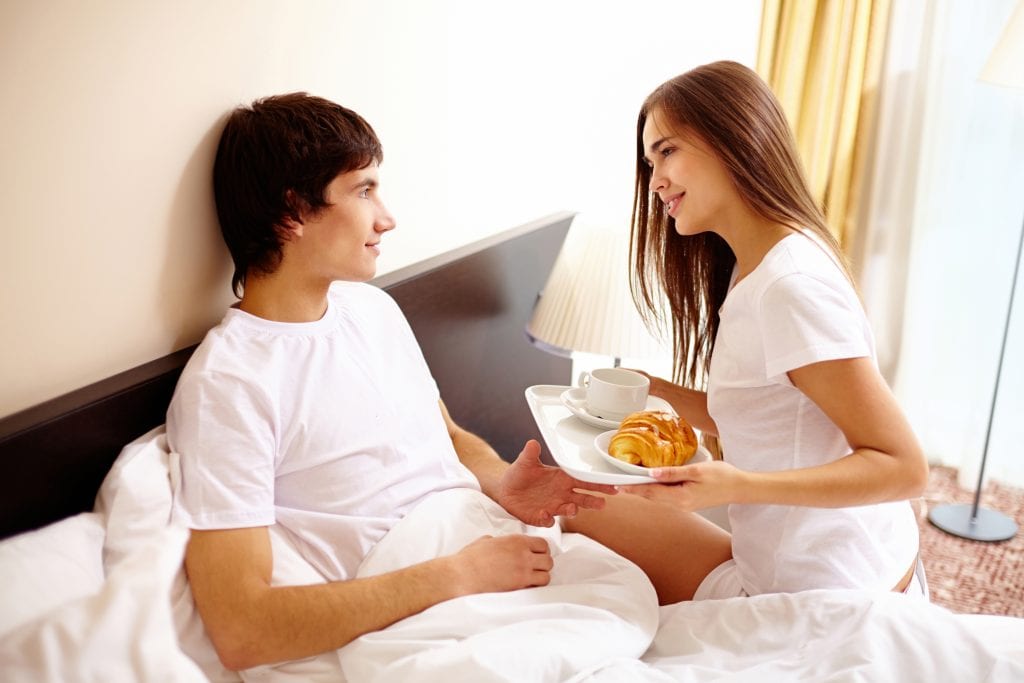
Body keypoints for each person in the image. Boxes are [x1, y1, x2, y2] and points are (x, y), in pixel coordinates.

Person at [166, 92, 617, 672]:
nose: (387, 217)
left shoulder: (371, 309)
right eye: (363, 190)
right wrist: (457, 574)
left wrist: (499, 481)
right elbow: (243, 629)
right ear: (291, 213)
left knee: (624, 589)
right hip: (420, 594)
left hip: (484, 544)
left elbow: (445, 433)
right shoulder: (230, 383)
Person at [565, 61, 929, 604]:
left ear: (732, 139)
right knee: (577, 504)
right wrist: (656, 389)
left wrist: (737, 484)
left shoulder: (790, 285)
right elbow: (770, 417)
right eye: (650, 161)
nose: (655, 179)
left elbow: (903, 468)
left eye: (667, 152)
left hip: (832, 595)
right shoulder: (754, 265)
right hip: (789, 567)